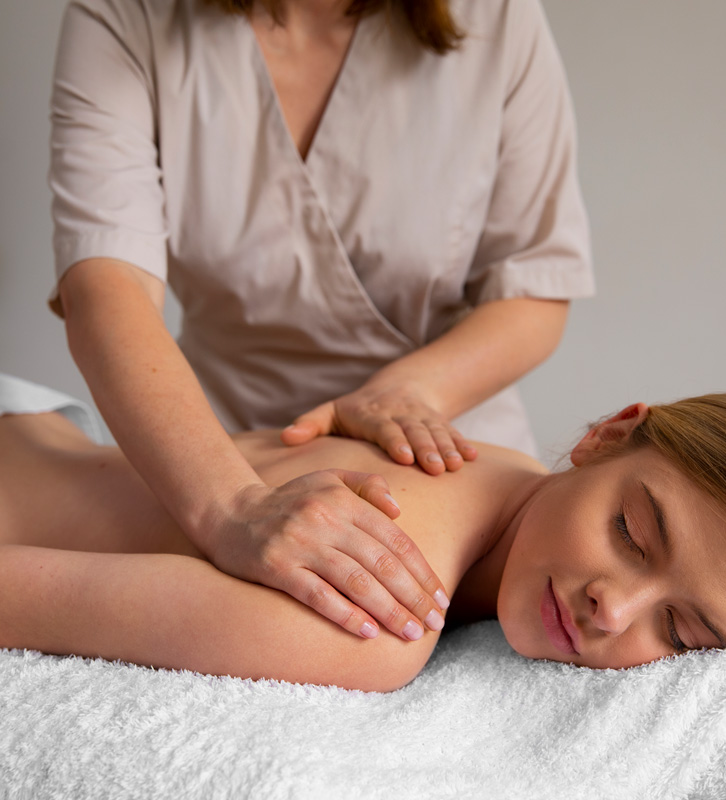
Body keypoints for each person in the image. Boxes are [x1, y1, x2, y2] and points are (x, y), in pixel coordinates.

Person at [47, 0, 595, 639]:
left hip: (446, 452)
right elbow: (105, 285)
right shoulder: (127, 14)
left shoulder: (497, 17)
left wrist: (408, 393)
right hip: (221, 458)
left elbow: (534, 287)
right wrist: (232, 508)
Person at [1, 377, 726, 692]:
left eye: (682, 632)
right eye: (630, 532)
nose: (612, 609)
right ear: (604, 436)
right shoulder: (378, 613)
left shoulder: (493, 463)